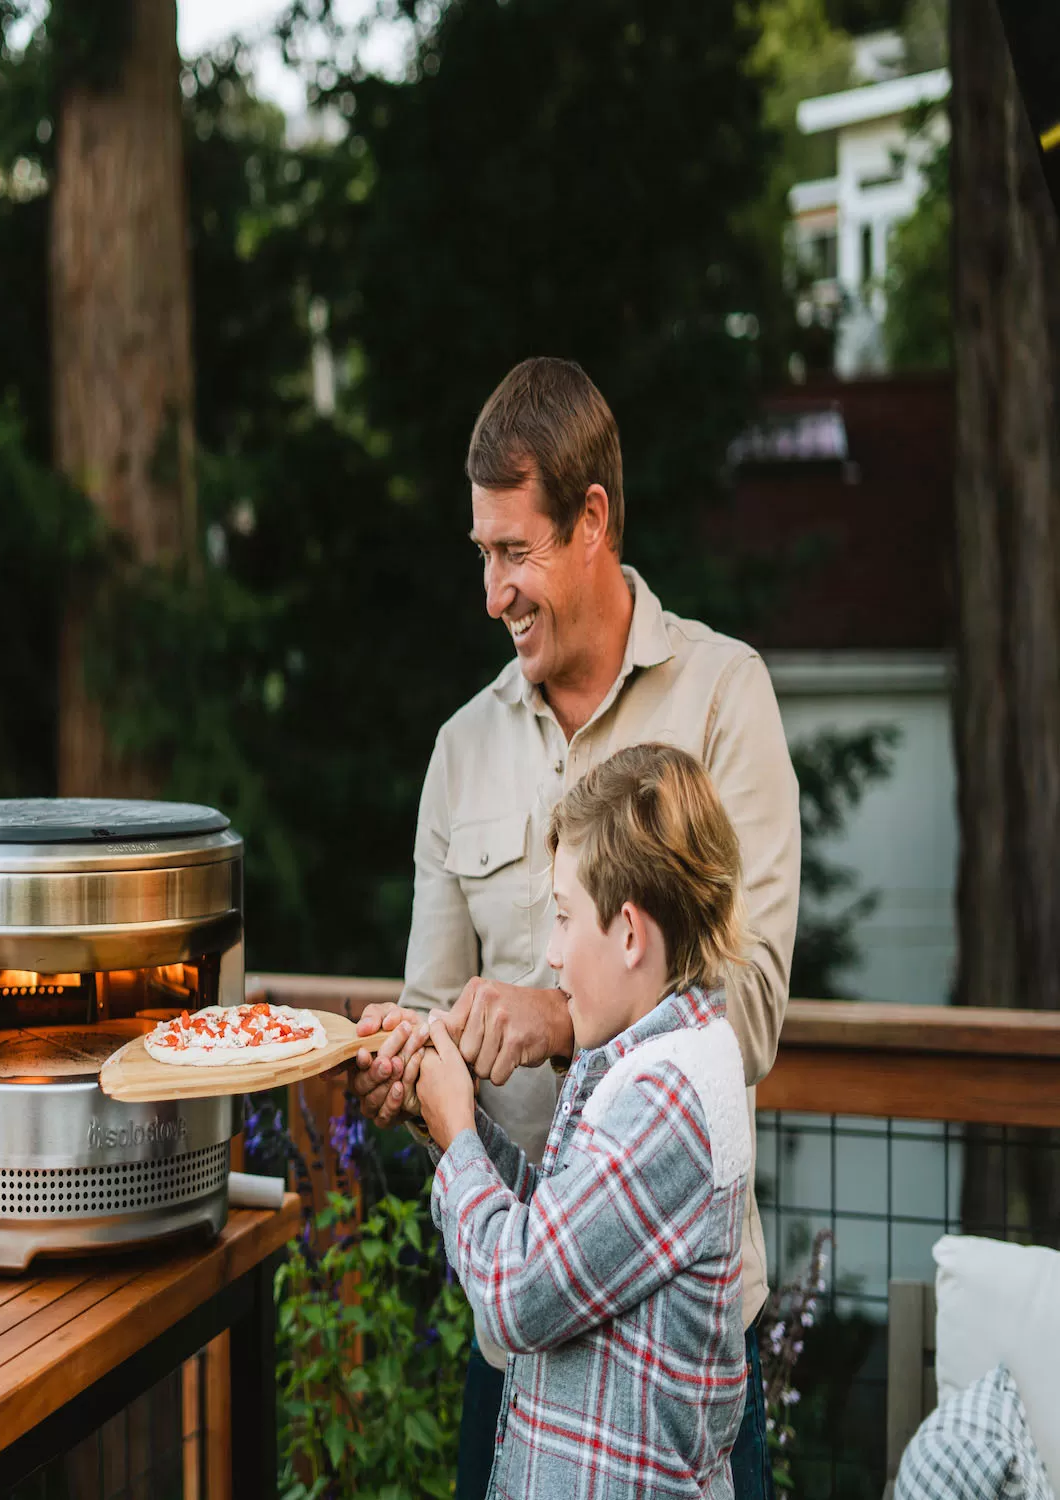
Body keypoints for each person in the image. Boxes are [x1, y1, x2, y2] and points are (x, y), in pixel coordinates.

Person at [349, 357, 799, 1500]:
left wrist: (555, 1021)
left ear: (590, 520)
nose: (492, 592)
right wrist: (403, 1073)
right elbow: (429, 1007)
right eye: (482, 554)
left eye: (515, 553)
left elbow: (745, 1013)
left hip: (675, 1366)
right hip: (520, 1347)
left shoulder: (724, 697)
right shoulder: (462, 750)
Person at [416, 743, 753, 1499]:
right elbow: (558, 1226)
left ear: (631, 934)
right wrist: (436, 1113)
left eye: (565, 917)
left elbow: (516, 1291)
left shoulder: (669, 1098)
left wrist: (459, 1135)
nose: (553, 954)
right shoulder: (657, 1058)